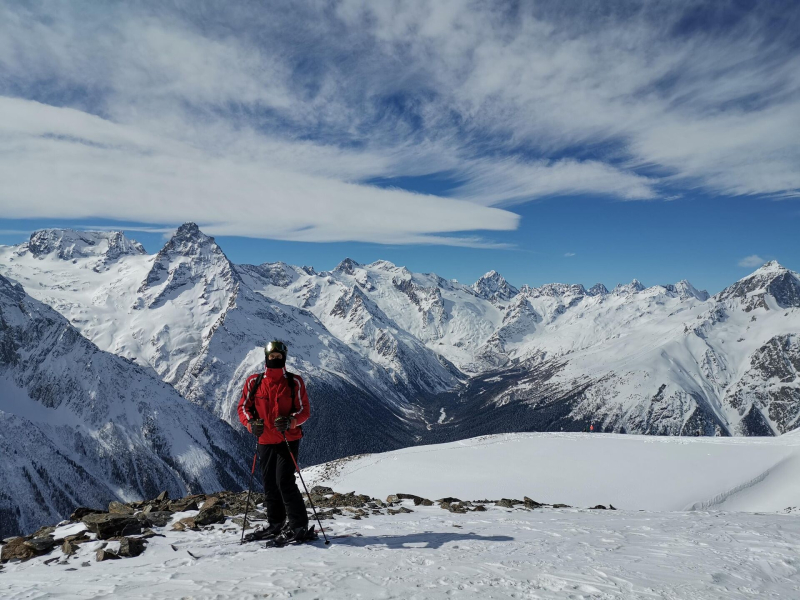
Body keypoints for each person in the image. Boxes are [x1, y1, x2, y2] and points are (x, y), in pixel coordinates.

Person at [237, 340, 311, 543]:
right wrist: (251, 425)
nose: (275, 360)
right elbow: (243, 408)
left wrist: (291, 421)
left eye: (279, 357)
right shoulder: (255, 382)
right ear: (266, 358)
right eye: (272, 357)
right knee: (269, 482)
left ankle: (298, 525)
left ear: (284, 359)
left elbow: (305, 410)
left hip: (288, 438)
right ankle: (276, 522)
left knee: (284, 481)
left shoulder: (294, 382)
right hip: (265, 440)